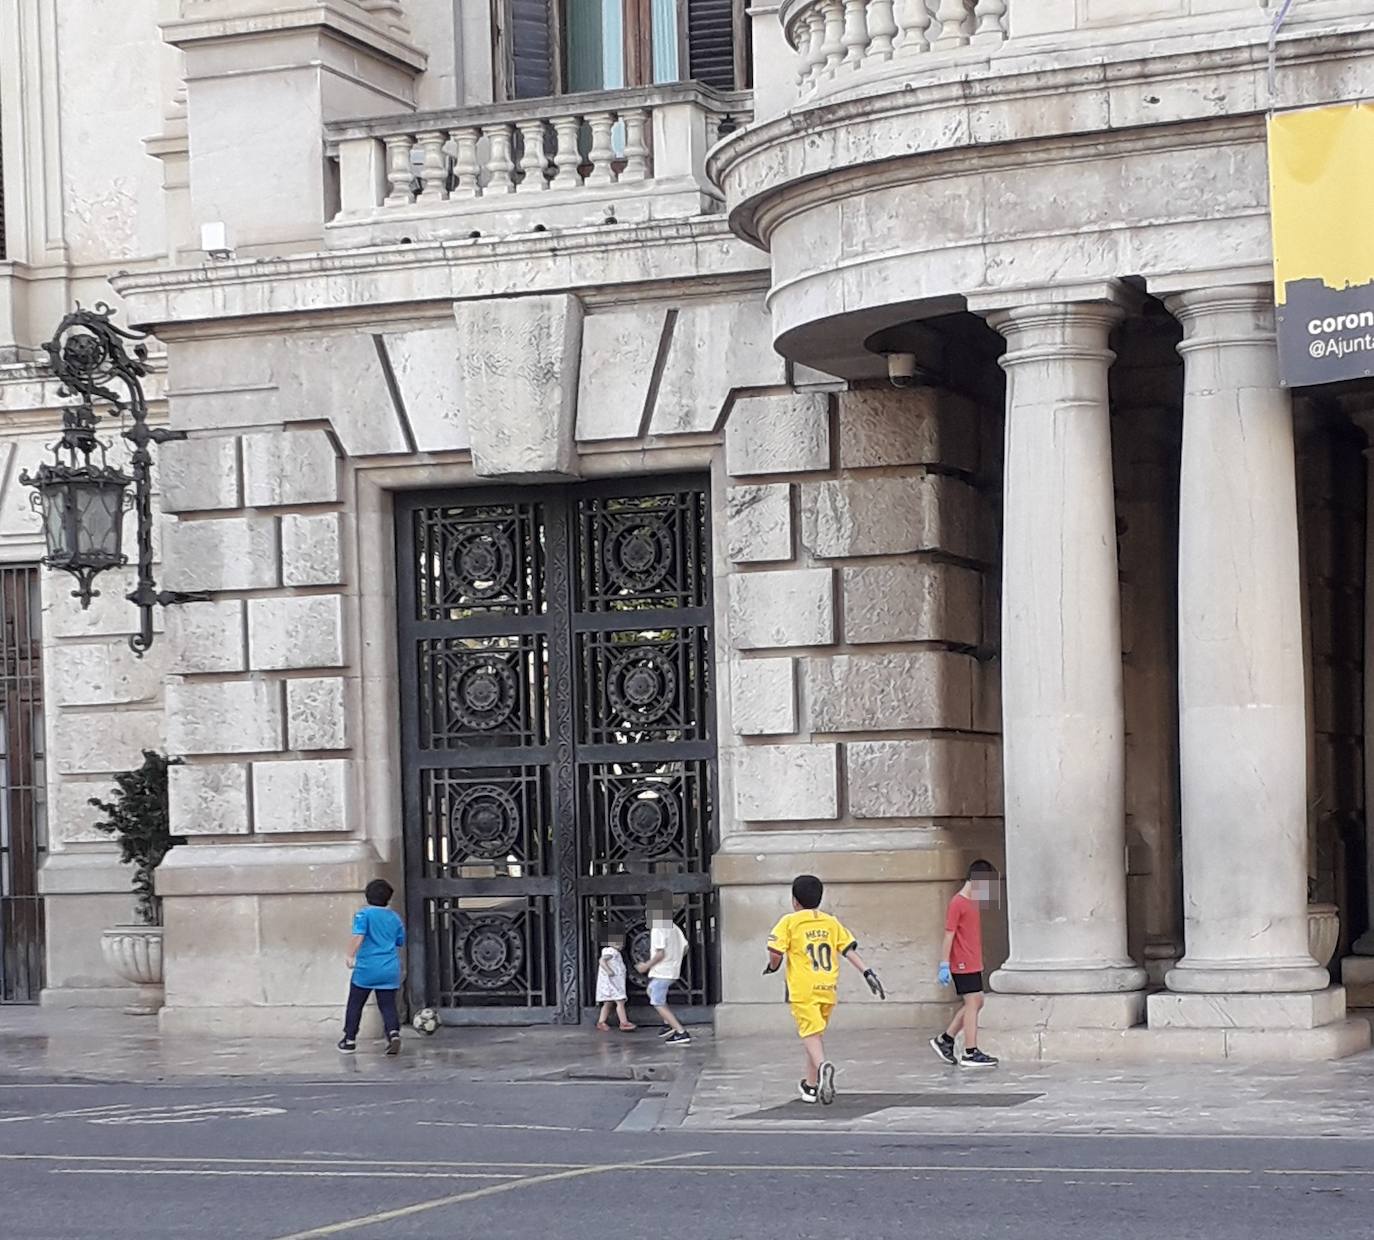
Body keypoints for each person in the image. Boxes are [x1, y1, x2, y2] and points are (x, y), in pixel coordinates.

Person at [764, 874, 885, 1105]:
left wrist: (773, 967)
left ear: (794, 901)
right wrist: (867, 972)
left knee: (809, 1034)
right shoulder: (831, 922)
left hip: (803, 989)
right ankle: (811, 1086)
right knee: (815, 1036)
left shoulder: (789, 921)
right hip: (828, 987)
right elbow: (848, 950)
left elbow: (775, 952)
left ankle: (823, 1068)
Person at [930, 859, 1000, 1069]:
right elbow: (949, 935)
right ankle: (970, 1050)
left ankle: (946, 1040)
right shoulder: (957, 903)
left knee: (977, 1002)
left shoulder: (972, 902)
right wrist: (944, 964)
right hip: (961, 963)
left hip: (972, 961)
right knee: (972, 1003)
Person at [338, 878, 406, 1055]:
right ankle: (393, 1033)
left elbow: (358, 936)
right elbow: (400, 941)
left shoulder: (364, 915)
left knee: (355, 1003)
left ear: (367, 896)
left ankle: (349, 1039)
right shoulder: (395, 918)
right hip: (390, 967)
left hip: (367, 968)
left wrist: (350, 955)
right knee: (388, 1005)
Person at [636, 893, 691, 1045]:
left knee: (657, 1001)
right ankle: (668, 1024)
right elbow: (685, 947)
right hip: (672, 970)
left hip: (662, 971)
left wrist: (646, 966)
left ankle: (680, 1032)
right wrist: (675, 958)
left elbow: (660, 953)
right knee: (651, 991)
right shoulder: (674, 927)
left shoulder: (658, 928)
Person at [595, 926, 636, 1032]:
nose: (621, 945)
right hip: (613, 983)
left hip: (611, 983)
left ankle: (601, 1021)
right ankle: (624, 1022)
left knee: (608, 1003)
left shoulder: (612, 951)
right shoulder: (611, 951)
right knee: (620, 1001)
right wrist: (609, 971)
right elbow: (602, 960)